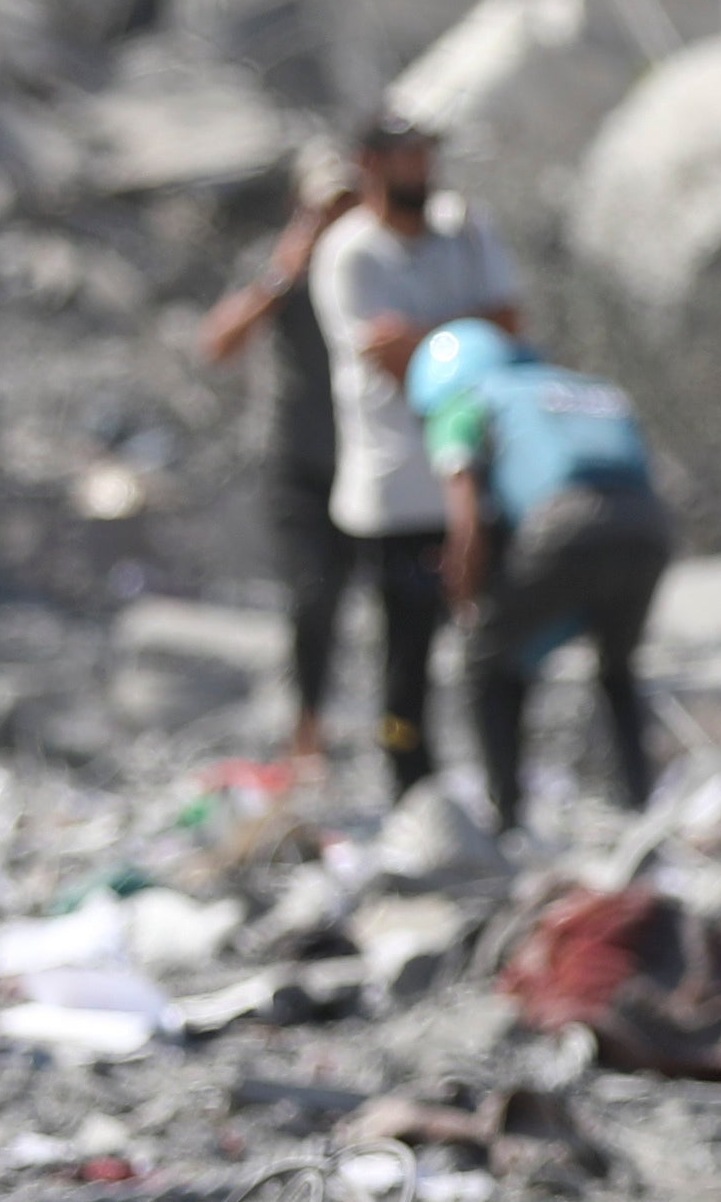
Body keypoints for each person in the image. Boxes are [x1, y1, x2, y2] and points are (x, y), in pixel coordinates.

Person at [305, 114, 520, 806]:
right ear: (370, 162)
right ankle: (409, 794)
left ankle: (503, 795)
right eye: (406, 158)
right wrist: (467, 336)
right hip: (398, 494)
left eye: (426, 155)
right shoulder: (351, 253)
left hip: (482, 487)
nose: (421, 171)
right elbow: (399, 360)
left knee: (499, 654)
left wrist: (436, 340)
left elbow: (510, 328)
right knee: (406, 669)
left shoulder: (465, 230)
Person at [413, 317, 671, 833]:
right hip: (648, 527)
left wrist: (464, 596)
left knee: (485, 658)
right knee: (617, 669)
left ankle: (506, 817)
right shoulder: (580, 388)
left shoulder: (465, 400)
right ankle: (640, 805)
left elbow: (465, 517)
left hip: (565, 526)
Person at [188, 148, 363, 764]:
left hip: (369, 461)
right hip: (299, 461)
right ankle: (307, 734)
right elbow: (219, 342)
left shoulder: (375, 266)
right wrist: (284, 272)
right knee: (312, 596)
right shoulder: (278, 266)